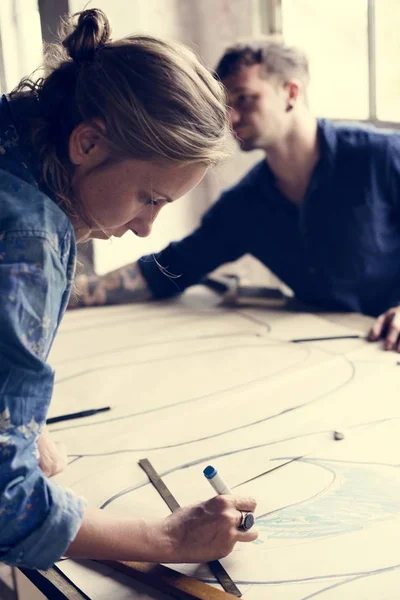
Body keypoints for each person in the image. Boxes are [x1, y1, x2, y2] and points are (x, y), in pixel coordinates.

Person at [0, 9, 258, 570]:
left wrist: (16, 423)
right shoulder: (29, 237)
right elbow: (6, 503)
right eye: (149, 197)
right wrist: (165, 539)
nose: (144, 227)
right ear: (87, 143)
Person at [72, 41, 400, 352]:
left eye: (244, 99)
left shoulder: (380, 157)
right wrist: (71, 293)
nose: (229, 119)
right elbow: (172, 268)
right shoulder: (246, 203)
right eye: (225, 106)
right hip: (338, 349)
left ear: (291, 92)